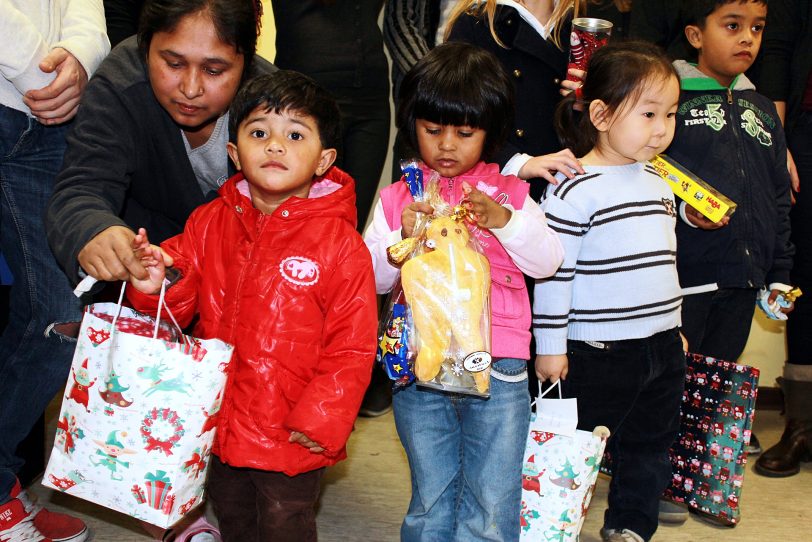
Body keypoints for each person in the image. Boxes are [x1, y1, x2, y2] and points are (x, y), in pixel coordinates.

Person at [126, 70, 378, 542]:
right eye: (259, 132)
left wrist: (323, 416)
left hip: (293, 427)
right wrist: (156, 279)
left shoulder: (341, 247)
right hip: (219, 418)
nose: (275, 145)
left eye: (295, 134)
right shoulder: (207, 223)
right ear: (234, 152)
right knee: (234, 514)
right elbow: (173, 314)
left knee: (285, 522)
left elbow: (353, 346)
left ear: (324, 160)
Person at [364, 41, 565, 541]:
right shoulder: (397, 198)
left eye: (465, 132)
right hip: (419, 362)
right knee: (430, 494)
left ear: (490, 132)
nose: (447, 145)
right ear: (412, 125)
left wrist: (506, 223)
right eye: (433, 130)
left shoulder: (509, 194)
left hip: (499, 363)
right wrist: (400, 239)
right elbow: (372, 280)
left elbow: (548, 262)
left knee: (493, 498)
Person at [534, 40, 684, 542]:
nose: (661, 128)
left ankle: (628, 526)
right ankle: (554, 525)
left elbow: (663, 264)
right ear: (600, 113)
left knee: (649, 445)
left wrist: (674, 329)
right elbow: (555, 274)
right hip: (597, 349)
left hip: (661, 345)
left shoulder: (661, 183)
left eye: (670, 114)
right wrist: (551, 347)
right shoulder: (573, 186)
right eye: (648, 113)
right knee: (574, 449)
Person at [46, 0, 275, 287]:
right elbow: (81, 189)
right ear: (145, 49)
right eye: (174, 64)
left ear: (247, 63)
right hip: (149, 279)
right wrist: (95, 230)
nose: (191, 89)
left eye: (214, 70)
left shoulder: (278, 112)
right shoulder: (119, 87)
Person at [0, 2, 108, 541]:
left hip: (43, 120)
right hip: (28, 91)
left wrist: (83, 60)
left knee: (60, 315)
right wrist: (37, 69)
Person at [668, 0, 794, 460]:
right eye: (733, 26)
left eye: (757, 28)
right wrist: (684, 214)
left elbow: (778, 196)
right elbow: (647, 177)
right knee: (674, 375)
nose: (747, 38)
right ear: (696, 35)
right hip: (687, 275)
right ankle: (656, 473)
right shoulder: (669, 101)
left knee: (718, 377)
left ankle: (697, 472)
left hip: (745, 278)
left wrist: (778, 271)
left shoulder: (762, 108)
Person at [271, 0, 393, 418]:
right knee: (296, 237)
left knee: (346, 240)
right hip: (305, 94)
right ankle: (288, 365)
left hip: (372, 95)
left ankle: (347, 369)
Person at [749, 0, 812, 478]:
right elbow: (778, 51)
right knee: (803, 276)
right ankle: (802, 424)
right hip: (806, 134)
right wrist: (778, 141)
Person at [445, 0, 585, 196]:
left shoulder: (584, 28)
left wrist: (589, 104)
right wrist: (516, 162)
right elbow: (454, 112)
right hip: (494, 190)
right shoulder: (476, 23)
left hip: (568, 187)